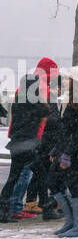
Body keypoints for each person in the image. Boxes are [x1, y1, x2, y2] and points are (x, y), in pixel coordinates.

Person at [46, 77, 78, 238]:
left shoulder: (77, 108)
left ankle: (77, 226)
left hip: (74, 153)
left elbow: (77, 135)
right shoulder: (76, 107)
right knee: (55, 182)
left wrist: (66, 154)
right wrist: (56, 150)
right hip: (69, 151)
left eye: (69, 86)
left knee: (73, 186)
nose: (66, 88)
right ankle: (71, 223)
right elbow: (67, 132)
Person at [0, 69, 52, 223]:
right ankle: (47, 208)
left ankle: (3, 210)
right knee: (41, 175)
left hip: (16, 144)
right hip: (28, 145)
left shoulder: (18, 102)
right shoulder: (36, 104)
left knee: (13, 178)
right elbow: (47, 111)